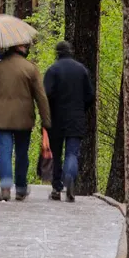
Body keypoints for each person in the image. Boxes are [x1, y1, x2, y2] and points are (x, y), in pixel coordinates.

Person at [0, 43, 51, 202]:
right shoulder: (30, 68)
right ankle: (20, 188)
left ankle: (5, 188)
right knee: (21, 153)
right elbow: (41, 97)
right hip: (24, 119)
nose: (26, 48)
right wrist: (46, 120)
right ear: (19, 48)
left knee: (5, 152)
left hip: (2, 118)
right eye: (24, 46)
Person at [43, 40, 94, 203]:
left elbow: (46, 95)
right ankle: (70, 177)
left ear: (57, 53)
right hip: (76, 118)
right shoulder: (82, 70)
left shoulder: (53, 70)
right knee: (72, 153)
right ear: (70, 52)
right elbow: (90, 96)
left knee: (56, 154)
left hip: (56, 118)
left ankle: (56, 188)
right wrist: (81, 109)